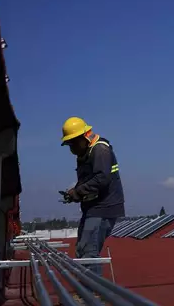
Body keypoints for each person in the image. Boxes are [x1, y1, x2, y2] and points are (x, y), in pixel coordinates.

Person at [60, 116, 125, 276]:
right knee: (82, 250)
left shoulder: (100, 150)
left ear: (84, 137)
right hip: (93, 209)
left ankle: (92, 295)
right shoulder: (86, 153)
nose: (71, 148)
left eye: (73, 143)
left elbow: (101, 179)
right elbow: (89, 180)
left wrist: (77, 192)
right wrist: (75, 193)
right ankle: (88, 291)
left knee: (89, 252)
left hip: (103, 209)